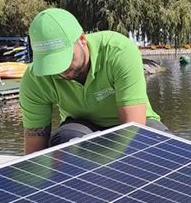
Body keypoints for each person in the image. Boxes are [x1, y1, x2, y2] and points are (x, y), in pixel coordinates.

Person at [19, 8, 167, 154]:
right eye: (50, 64)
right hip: (83, 127)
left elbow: (132, 131)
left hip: (135, 124)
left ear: (82, 40)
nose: (60, 71)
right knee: (66, 139)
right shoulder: (35, 79)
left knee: (161, 145)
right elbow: (34, 151)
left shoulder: (119, 52)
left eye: (64, 58)